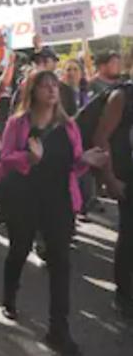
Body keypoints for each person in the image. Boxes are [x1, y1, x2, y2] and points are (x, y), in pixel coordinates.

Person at [0, 70, 107, 355]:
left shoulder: (68, 126)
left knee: (61, 263)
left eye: (55, 86)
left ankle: (58, 330)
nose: (52, 90)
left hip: (58, 202)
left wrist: (85, 160)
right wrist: (29, 157)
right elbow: (5, 158)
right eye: (45, 86)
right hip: (23, 199)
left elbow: (73, 165)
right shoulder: (18, 123)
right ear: (33, 91)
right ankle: (9, 297)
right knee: (19, 250)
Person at [93, 80, 133, 319]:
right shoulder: (122, 96)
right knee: (129, 235)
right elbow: (101, 136)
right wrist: (109, 178)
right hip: (128, 177)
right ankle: (124, 295)